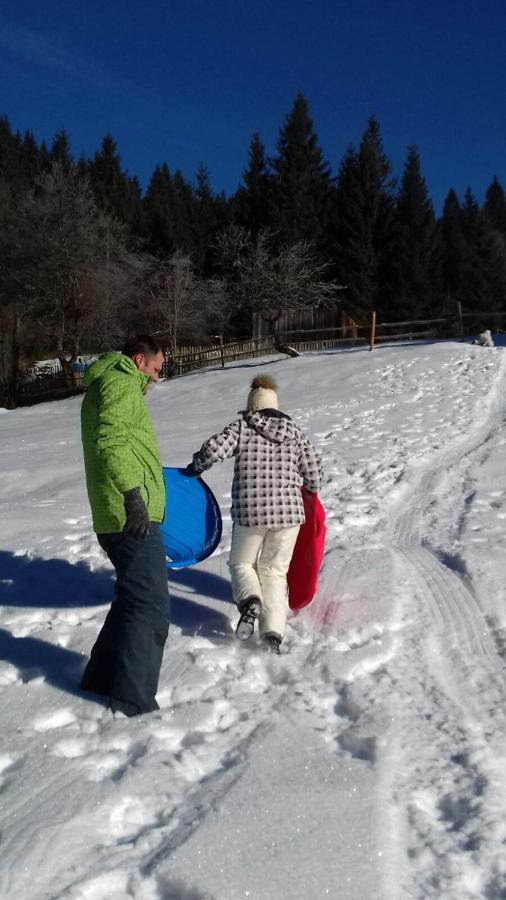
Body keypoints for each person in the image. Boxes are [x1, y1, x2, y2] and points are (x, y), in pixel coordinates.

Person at [185, 375, 322, 652]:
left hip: (251, 512)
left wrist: (196, 466)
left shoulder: (242, 426)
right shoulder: (294, 432)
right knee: (274, 572)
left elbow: (213, 449)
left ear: (252, 407)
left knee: (242, 564)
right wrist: (307, 489)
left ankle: (250, 601)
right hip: (288, 514)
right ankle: (272, 633)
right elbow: (314, 476)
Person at [80, 335, 170, 716]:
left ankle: (101, 678)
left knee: (132, 598)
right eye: (154, 369)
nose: (156, 378)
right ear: (138, 360)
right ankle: (133, 701)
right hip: (128, 514)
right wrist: (133, 495)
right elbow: (111, 440)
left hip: (117, 512)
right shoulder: (119, 382)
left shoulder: (109, 382)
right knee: (150, 604)